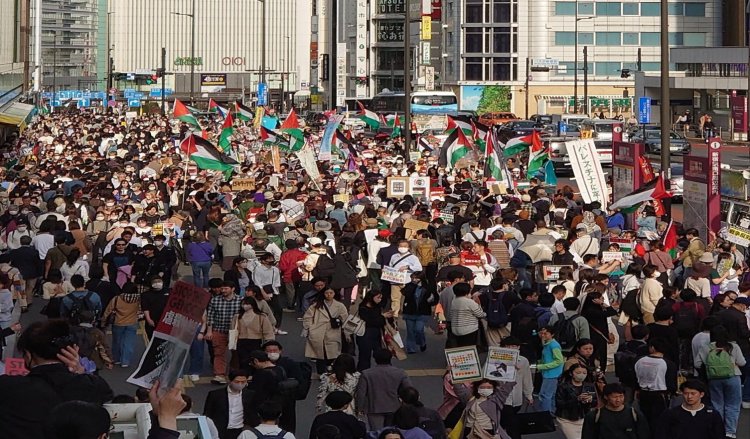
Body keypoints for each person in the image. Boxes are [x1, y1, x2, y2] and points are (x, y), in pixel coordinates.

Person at [0, 320, 114, 439]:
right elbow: (105, 393)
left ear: (28, 355)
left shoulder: (7, 387)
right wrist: (80, 370)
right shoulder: (91, 386)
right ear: (73, 351)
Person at [694, 325, 745, 438]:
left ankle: (718, 429)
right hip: (733, 376)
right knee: (732, 405)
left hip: (713, 378)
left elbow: (697, 363)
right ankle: (730, 431)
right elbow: (742, 363)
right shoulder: (733, 346)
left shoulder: (706, 347)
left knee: (717, 404)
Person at [355, 349, 412, 430]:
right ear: (391, 357)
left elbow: (361, 393)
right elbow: (409, 389)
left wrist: (359, 408)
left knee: (377, 432)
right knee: (392, 431)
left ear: (375, 359)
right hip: (394, 407)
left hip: (374, 408)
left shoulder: (366, 374)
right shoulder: (400, 373)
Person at [653, 380, 725, 439]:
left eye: (693, 393)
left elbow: (719, 435)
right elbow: (661, 434)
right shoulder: (670, 414)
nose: (689, 396)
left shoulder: (712, 415)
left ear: (701, 394)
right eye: (686, 393)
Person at [634, 337, 678, 428]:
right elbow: (671, 384)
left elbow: (635, 377)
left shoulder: (639, 360)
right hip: (660, 395)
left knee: (645, 419)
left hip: (643, 393)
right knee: (659, 421)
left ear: (652, 348)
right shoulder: (668, 364)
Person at [303, 288, 349, 374]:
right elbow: (308, 317)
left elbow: (345, 319)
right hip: (318, 331)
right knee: (320, 354)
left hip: (333, 331)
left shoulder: (340, 306)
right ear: (323, 294)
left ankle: (330, 367)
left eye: (331, 292)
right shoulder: (316, 305)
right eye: (326, 293)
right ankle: (321, 373)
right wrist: (309, 327)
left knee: (332, 352)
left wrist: (347, 333)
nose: (329, 295)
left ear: (334, 294)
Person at [581, 383, 649, 439]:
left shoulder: (634, 414)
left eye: (621, 396)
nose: (618, 400)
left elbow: (644, 434)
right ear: (606, 397)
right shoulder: (594, 416)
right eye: (614, 397)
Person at [206, 281, 243, 384]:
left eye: (226, 288)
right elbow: (210, 316)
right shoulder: (215, 300)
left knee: (235, 353)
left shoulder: (241, 300)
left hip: (235, 332)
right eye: (222, 289)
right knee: (218, 353)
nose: (223, 291)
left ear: (233, 289)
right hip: (219, 330)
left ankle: (234, 373)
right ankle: (219, 375)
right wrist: (209, 331)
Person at [204, 369, 253, 439]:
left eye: (243, 382)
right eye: (237, 381)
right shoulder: (215, 395)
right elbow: (207, 413)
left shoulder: (250, 395)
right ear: (230, 381)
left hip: (239, 429)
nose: (240, 384)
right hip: (219, 429)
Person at [555, 364, 598, 439]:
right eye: (578, 373)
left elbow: (595, 402)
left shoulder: (589, 386)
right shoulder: (563, 386)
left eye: (584, 373)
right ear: (571, 373)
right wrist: (577, 399)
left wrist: (590, 400)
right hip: (567, 419)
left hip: (584, 418)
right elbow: (559, 403)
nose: (581, 375)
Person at [234, 296, 275, 368]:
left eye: (247, 304)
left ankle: (254, 374)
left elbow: (268, 330)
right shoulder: (237, 316)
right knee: (242, 360)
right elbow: (233, 329)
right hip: (241, 341)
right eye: (243, 304)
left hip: (256, 341)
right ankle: (245, 374)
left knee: (256, 359)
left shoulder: (261, 316)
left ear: (252, 304)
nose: (244, 306)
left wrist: (269, 341)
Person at [401, 271, 436, 354]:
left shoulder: (427, 287)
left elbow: (434, 297)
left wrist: (431, 301)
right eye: (412, 278)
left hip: (423, 312)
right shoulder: (409, 285)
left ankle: (422, 342)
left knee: (419, 329)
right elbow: (404, 294)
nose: (414, 279)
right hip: (409, 311)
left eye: (416, 278)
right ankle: (411, 348)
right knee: (410, 331)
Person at [356, 291, 391, 371]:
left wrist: (387, 316)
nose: (380, 300)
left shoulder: (378, 306)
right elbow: (370, 321)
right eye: (378, 297)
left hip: (377, 335)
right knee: (364, 357)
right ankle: (363, 374)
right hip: (364, 335)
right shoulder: (363, 307)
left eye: (380, 298)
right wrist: (382, 317)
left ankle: (383, 371)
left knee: (381, 355)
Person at [449, 282, 486, 347]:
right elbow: (480, 314)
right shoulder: (469, 302)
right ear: (467, 291)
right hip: (469, 330)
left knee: (461, 348)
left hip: (456, 329)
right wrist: (479, 305)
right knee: (469, 348)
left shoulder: (454, 301)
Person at [536, 325, 565, 413]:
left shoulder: (553, 345)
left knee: (545, 395)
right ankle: (551, 412)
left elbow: (559, 361)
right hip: (548, 373)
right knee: (550, 394)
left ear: (552, 334)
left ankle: (545, 414)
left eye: (546, 333)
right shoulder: (547, 344)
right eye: (541, 333)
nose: (543, 335)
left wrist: (541, 367)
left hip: (551, 374)